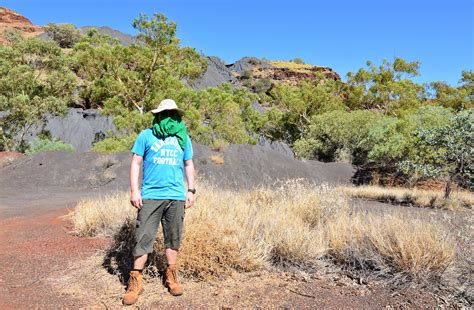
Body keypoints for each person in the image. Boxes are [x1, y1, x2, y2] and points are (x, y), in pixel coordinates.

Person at [122, 99, 196, 305]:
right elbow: (136, 163)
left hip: (176, 196)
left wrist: (191, 189)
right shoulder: (146, 135)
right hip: (151, 195)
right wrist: (134, 190)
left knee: (173, 237)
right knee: (142, 237)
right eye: (165, 114)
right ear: (158, 115)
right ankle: (135, 281)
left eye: (173, 114)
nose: (169, 118)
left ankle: (171, 275)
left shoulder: (183, 138)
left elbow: (189, 164)